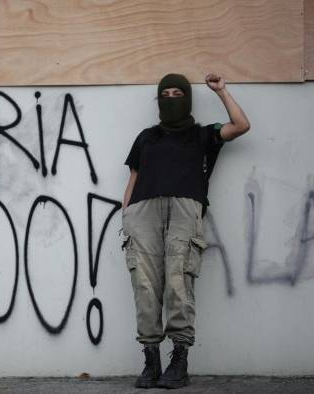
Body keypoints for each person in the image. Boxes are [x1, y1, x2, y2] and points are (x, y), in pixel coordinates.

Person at [121, 72, 250, 389]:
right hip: (143, 213)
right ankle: (151, 361)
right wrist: (127, 214)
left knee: (179, 284)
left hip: (184, 211)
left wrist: (221, 91)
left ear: (188, 99)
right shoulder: (146, 138)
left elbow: (241, 125)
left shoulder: (203, 135)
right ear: (159, 99)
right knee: (145, 287)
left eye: (179, 93)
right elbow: (134, 179)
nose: (173, 99)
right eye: (167, 94)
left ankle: (179, 362)